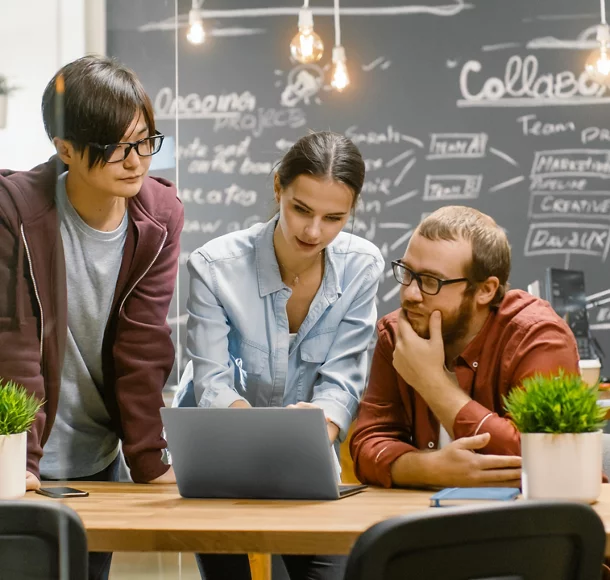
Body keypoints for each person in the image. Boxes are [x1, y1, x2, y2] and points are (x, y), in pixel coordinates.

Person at [0, 55, 183, 579]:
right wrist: (21, 461)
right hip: (21, 458)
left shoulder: (159, 216)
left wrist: (150, 460)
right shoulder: (17, 211)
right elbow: (15, 343)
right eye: (113, 148)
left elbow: (145, 342)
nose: (136, 161)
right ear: (65, 148)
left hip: (99, 459)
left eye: (145, 141)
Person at [174, 131, 384, 580]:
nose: (313, 231)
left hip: (307, 462)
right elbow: (212, 383)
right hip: (222, 457)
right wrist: (263, 437)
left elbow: (343, 379)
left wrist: (316, 430)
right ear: (277, 189)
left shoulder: (363, 266)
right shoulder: (214, 266)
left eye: (334, 218)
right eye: (301, 209)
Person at [350, 205, 579, 490]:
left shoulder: (539, 337)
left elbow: (543, 459)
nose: (410, 294)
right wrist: (428, 469)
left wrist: (433, 384)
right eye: (407, 272)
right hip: (428, 523)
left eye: (431, 281)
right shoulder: (399, 335)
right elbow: (367, 444)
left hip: (533, 524)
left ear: (485, 290)